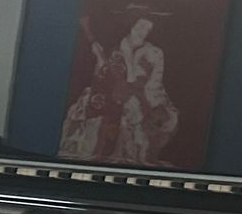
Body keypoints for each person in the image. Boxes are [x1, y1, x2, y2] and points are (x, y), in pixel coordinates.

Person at [59, 13, 182, 166]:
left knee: (145, 116)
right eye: (140, 25)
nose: (143, 30)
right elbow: (105, 74)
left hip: (144, 95)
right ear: (132, 25)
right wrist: (101, 60)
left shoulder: (155, 52)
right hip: (113, 93)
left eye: (148, 28)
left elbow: (153, 81)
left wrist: (140, 93)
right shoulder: (117, 47)